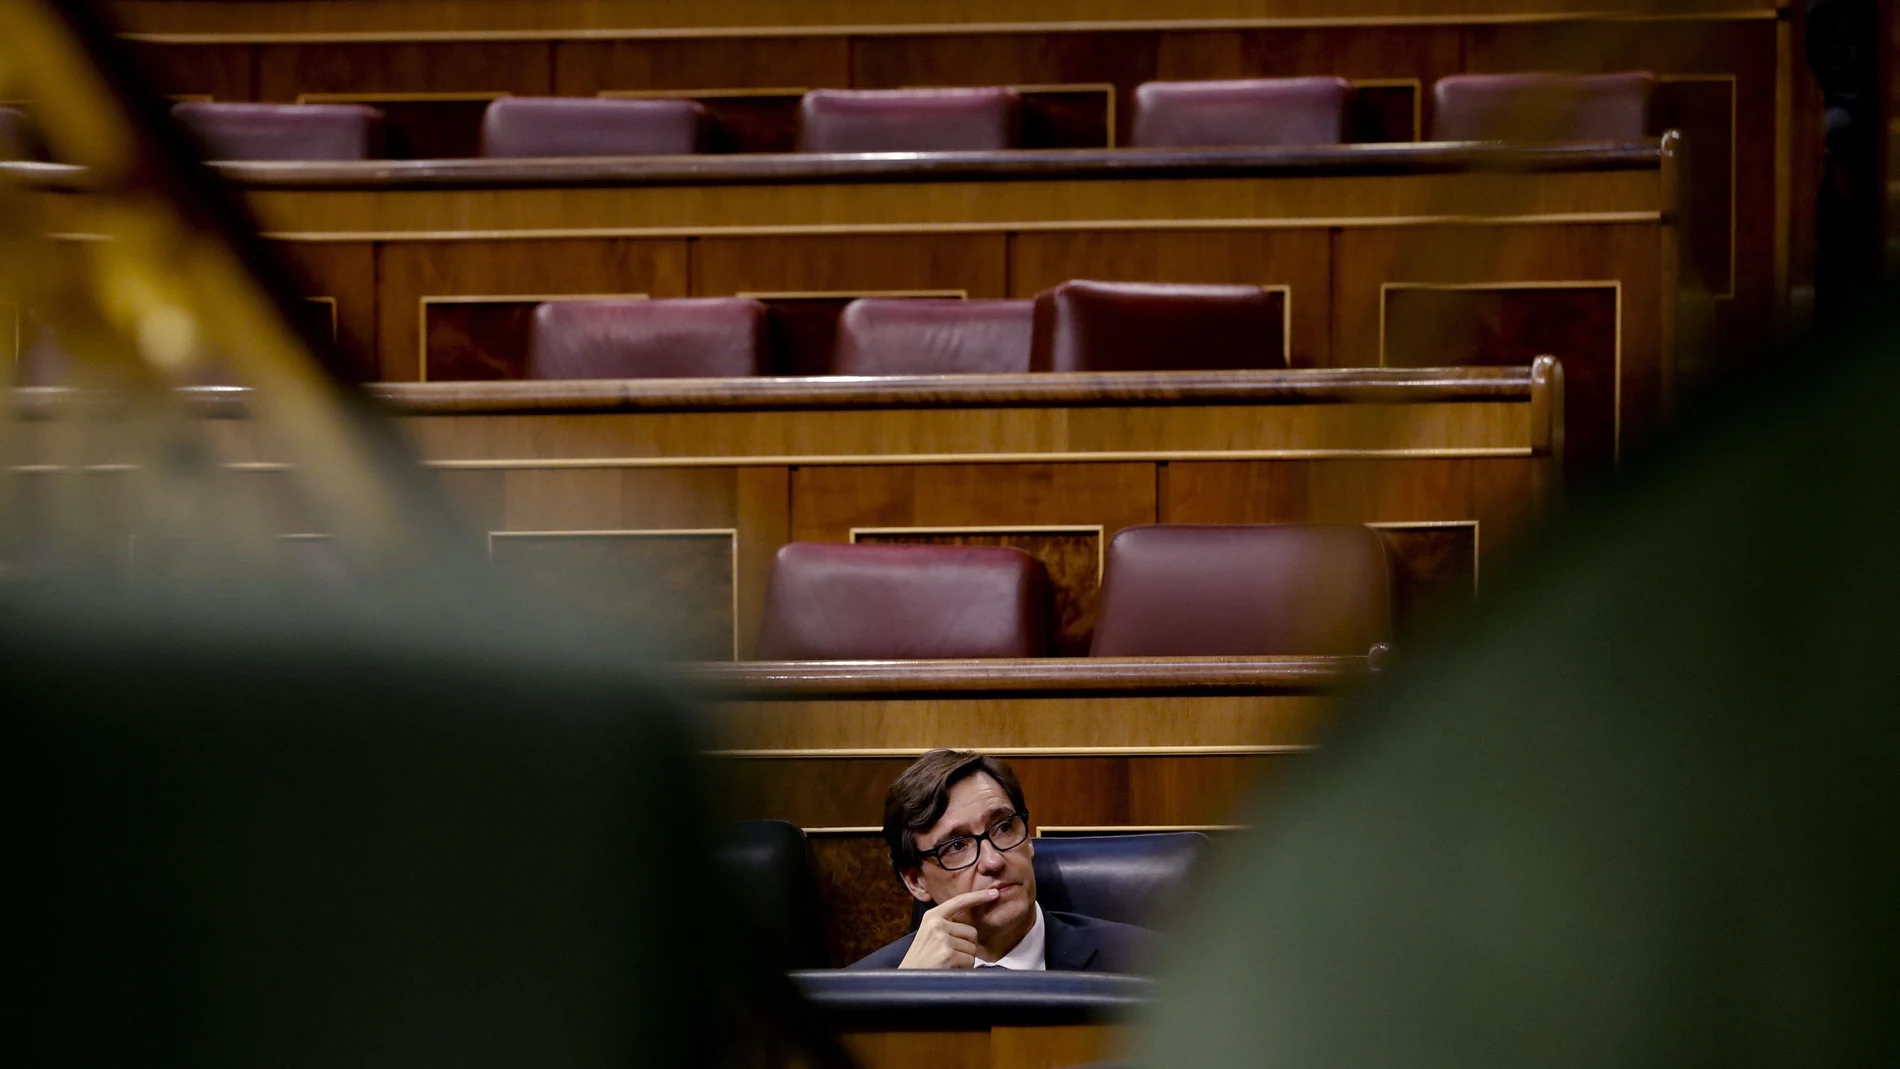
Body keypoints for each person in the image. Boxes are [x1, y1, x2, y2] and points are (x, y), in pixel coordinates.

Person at [849, 749, 1155, 971]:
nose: (993, 861)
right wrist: (904, 1000)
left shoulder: (1150, 965)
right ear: (916, 881)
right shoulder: (860, 997)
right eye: (957, 846)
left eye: (1004, 827)